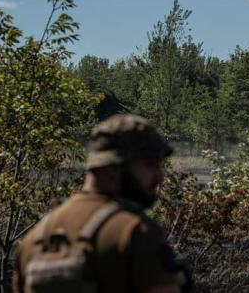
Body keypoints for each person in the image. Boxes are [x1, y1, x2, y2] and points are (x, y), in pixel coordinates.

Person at [13, 114, 189, 293]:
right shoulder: (134, 233)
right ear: (112, 167)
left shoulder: (34, 240)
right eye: (149, 165)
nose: (160, 176)